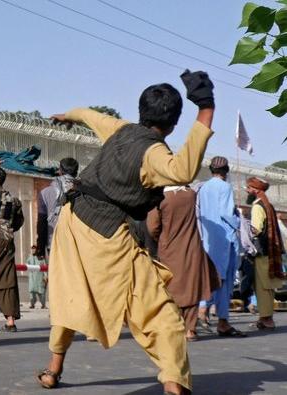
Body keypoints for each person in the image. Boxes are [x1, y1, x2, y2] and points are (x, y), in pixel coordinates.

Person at [38, 70, 215, 395]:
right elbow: (184, 170)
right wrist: (206, 107)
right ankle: (174, 385)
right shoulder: (155, 155)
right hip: (106, 235)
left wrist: (67, 116)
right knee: (161, 314)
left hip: (71, 220)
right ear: (174, 123)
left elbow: (88, 115)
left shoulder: (120, 130)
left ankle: (53, 370)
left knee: (70, 296)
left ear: (141, 110)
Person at [146, 186, 219, 341]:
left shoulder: (160, 197)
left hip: (169, 249)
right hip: (193, 247)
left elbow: (152, 227)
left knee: (171, 288)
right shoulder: (191, 194)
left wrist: (161, 239)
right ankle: (190, 330)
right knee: (192, 287)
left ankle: (175, 326)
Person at [197, 156, 245, 337]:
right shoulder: (225, 187)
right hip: (225, 237)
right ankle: (223, 321)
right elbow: (226, 213)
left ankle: (203, 308)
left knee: (210, 277)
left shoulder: (203, 188)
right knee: (224, 280)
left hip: (208, 239)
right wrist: (239, 223)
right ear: (226, 171)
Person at [0, 167, 24, 332]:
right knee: (7, 278)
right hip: (7, 241)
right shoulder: (14, 200)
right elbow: (18, 222)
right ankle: (10, 320)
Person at [246, 177, 286, 330]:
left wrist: (243, 229)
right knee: (268, 286)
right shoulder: (268, 204)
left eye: (248, 188)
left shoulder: (257, 206)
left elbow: (255, 229)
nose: (246, 190)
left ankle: (266, 319)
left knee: (262, 286)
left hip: (261, 252)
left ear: (255, 190)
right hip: (270, 250)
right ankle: (266, 318)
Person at [36, 158, 78, 259]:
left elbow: (42, 223)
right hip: (78, 245)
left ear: (60, 171)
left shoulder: (45, 193)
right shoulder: (83, 191)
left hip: (54, 243)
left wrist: (40, 247)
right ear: (76, 173)